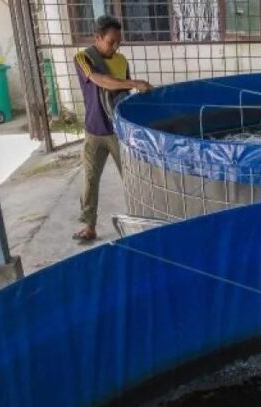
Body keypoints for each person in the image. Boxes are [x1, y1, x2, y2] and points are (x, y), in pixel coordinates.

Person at [72, 15, 153, 242]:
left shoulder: (122, 60)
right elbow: (101, 80)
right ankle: (89, 226)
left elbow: (123, 97)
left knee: (132, 178)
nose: (116, 46)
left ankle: (141, 220)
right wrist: (134, 83)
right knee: (89, 180)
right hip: (94, 131)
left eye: (119, 41)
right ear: (97, 38)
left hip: (119, 131)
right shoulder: (83, 57)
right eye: (111, 42)